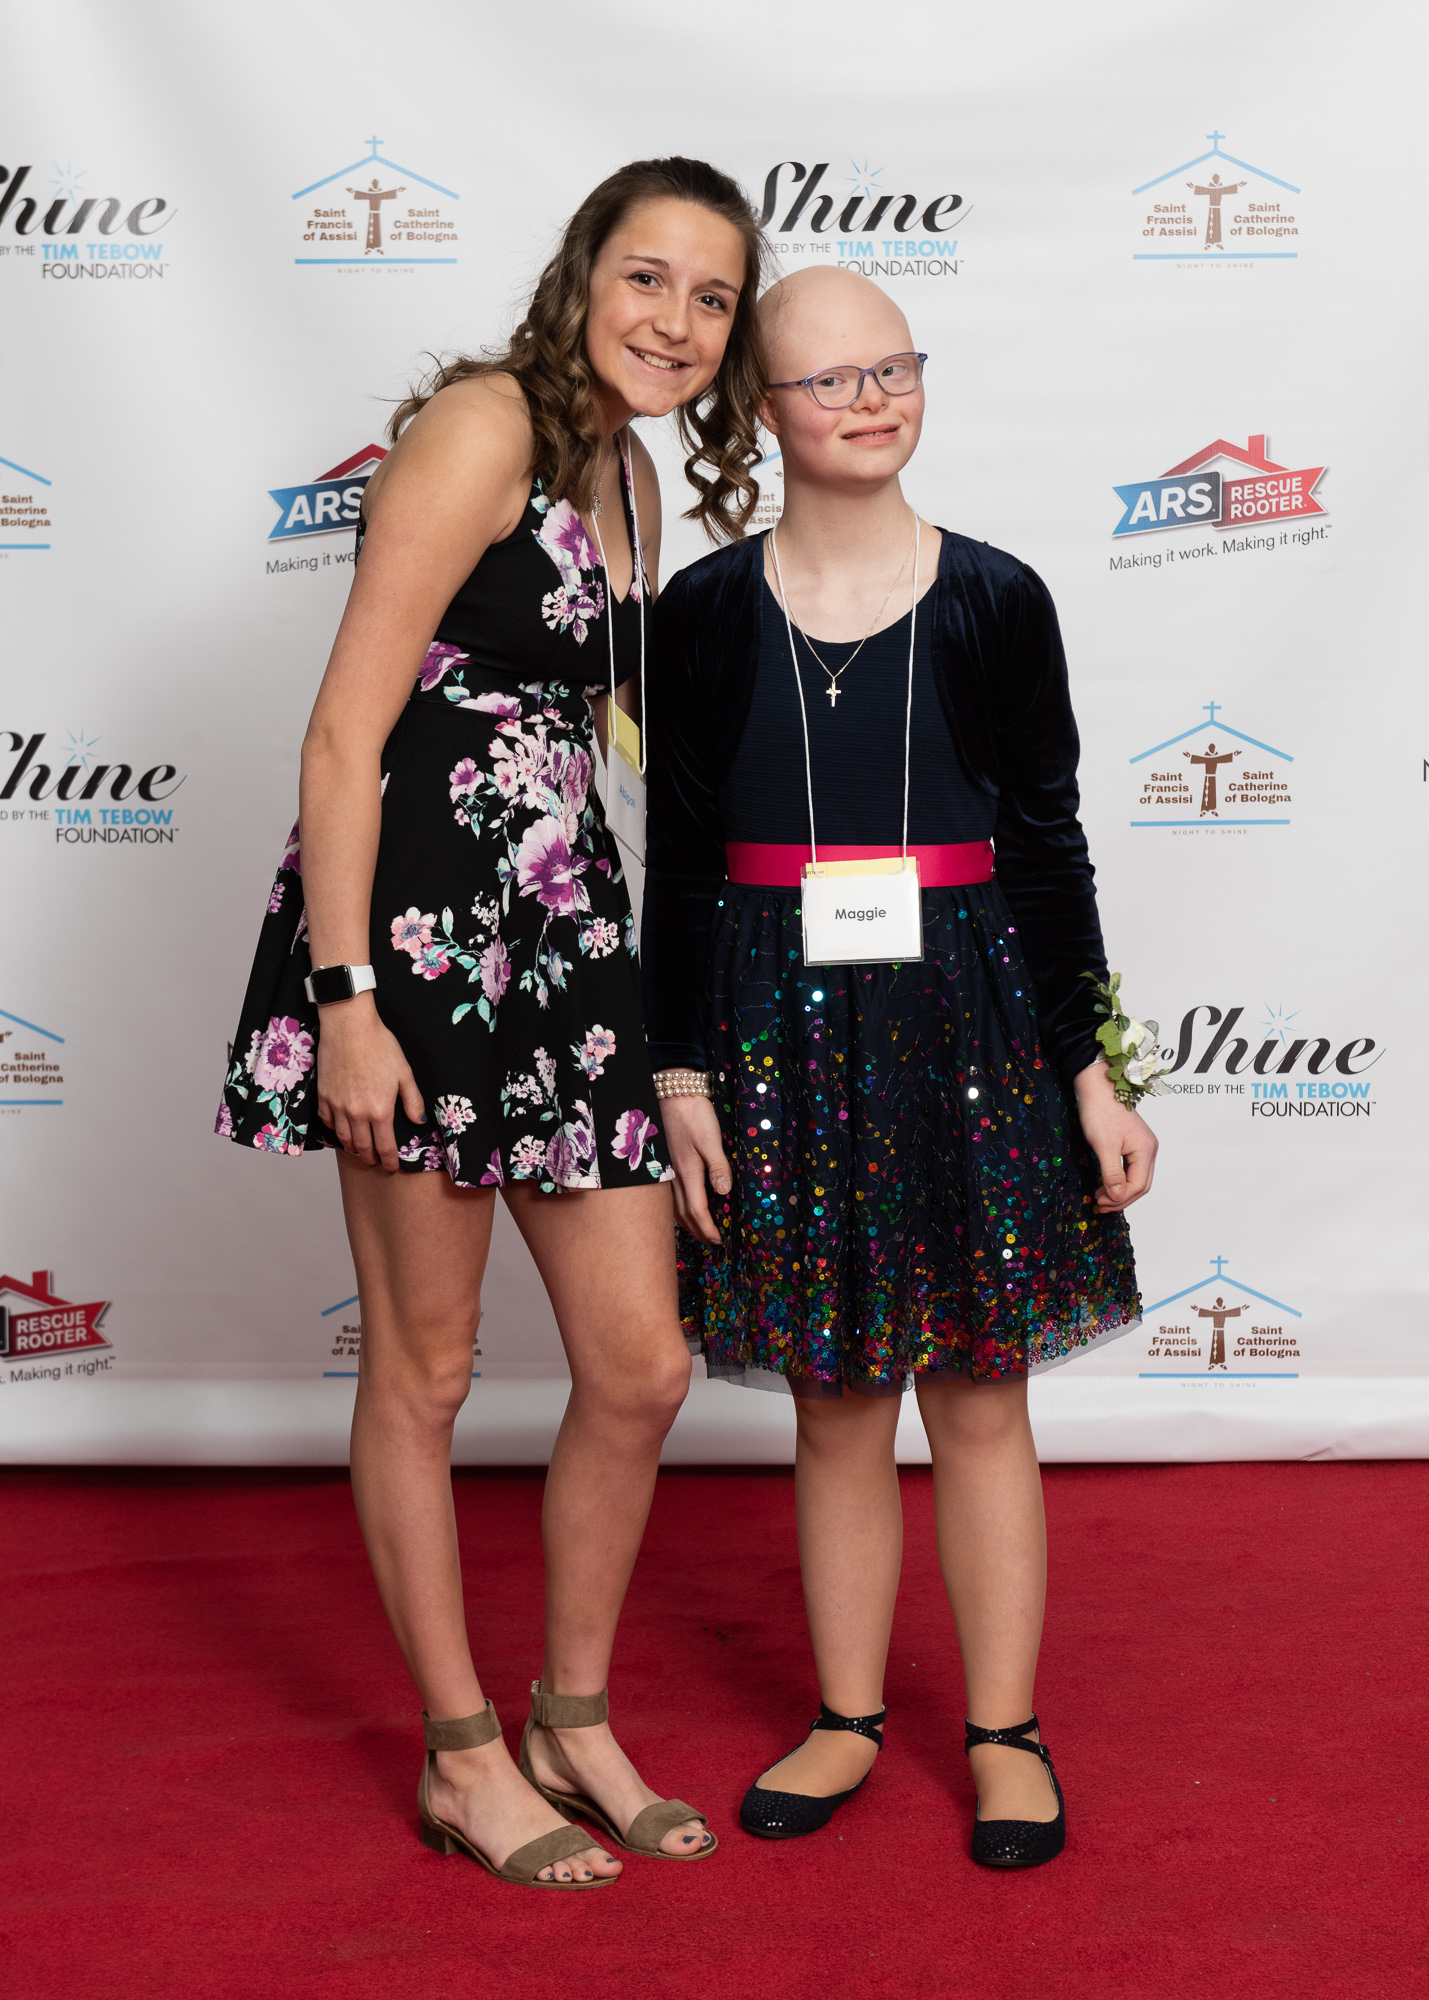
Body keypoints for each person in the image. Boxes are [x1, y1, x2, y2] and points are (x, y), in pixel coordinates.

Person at [217, 158, 769, 1888]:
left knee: (642, 1364)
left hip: (563, 940)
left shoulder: (629, 472)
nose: (674, 320)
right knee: (429, 1367)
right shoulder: (482, 428)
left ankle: (569, 1719)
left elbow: (610, 754)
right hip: (413, 948)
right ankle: (464, 1755)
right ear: (581, 273)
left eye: (711, 298)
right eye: (647, 276)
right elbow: (343, 734)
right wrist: (346, 1005)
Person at [642, 265, 1156, 1869]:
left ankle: (1003, 1732)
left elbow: (1050, 848)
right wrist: (678, 1078)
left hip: (969, 1021)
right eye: (828, 380)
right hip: (774, 1030)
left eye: (894, 368)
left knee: (980, 1395)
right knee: (837, 1398)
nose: (870, 401)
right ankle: (847, 1716)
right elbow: (674, 863)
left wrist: (1092, 1069)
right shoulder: (701, 613)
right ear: (758, 410)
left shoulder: (998, 596)